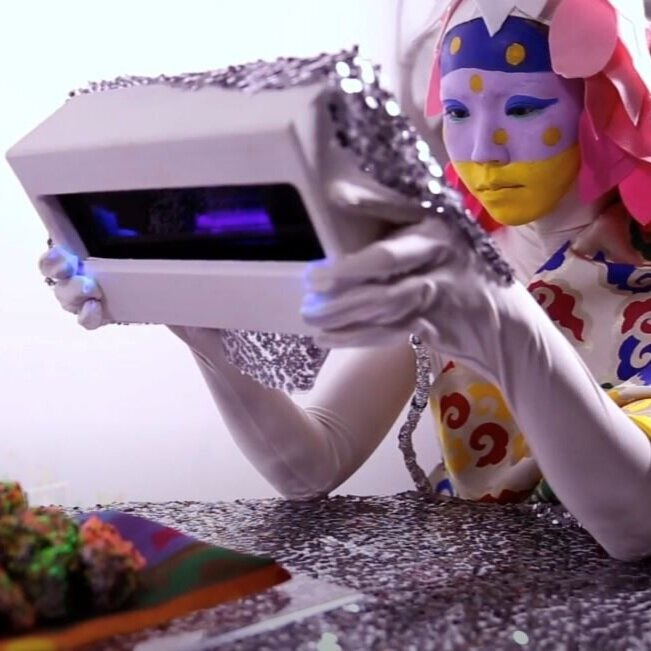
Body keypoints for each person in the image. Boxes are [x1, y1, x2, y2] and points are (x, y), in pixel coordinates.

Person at [39, 0, 651, 561]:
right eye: (458, 111)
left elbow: (639, 525)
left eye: (522, 108)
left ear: (605, 110)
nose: (483, 149)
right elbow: (310, 465)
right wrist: (197, 322)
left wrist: (507, 327)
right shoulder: (447, 264)